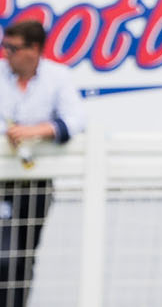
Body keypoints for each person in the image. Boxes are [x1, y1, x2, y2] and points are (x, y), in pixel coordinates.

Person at [0, 19, 87, 307]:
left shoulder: (57, 76)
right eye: (5, 47)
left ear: (34, 49)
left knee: (23, 256)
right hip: (3, 176)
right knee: (3, 256)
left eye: (13, 48)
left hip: (34, 182)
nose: (7, 54)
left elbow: (76, 120)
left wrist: (36, 130)